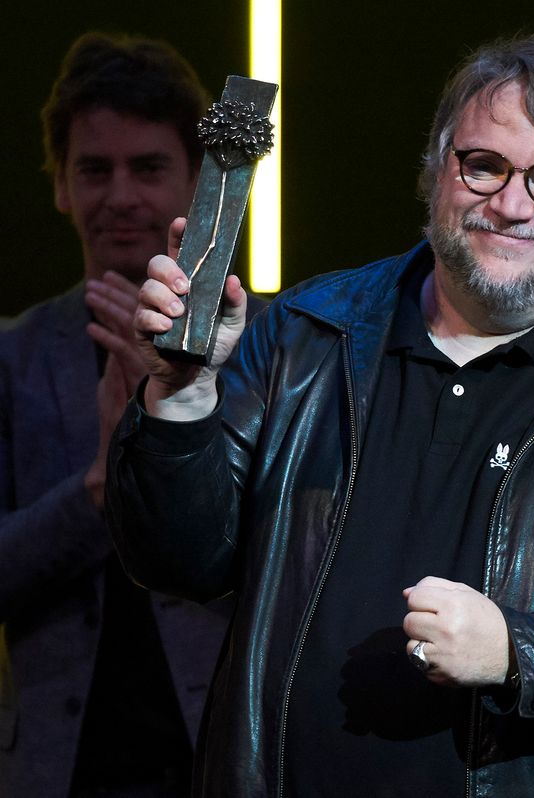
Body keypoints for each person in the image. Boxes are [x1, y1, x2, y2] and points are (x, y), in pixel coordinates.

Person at [106, 34, 534, 797]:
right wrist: (181, 395)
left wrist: (519, 652)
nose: (511, 205)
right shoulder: (305, 336)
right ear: (436, 172)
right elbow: (174, 562)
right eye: (483, 165)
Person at [0, 31, 236, 797]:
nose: (122, 196)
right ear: (61, 185)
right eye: (95, 170)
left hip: (220, 755)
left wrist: (183, 422)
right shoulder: (14, 357)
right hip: (60, 766)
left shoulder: (262, 345)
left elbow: (298, 564)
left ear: (196, 179)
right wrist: (99, 487)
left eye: (149, 167)